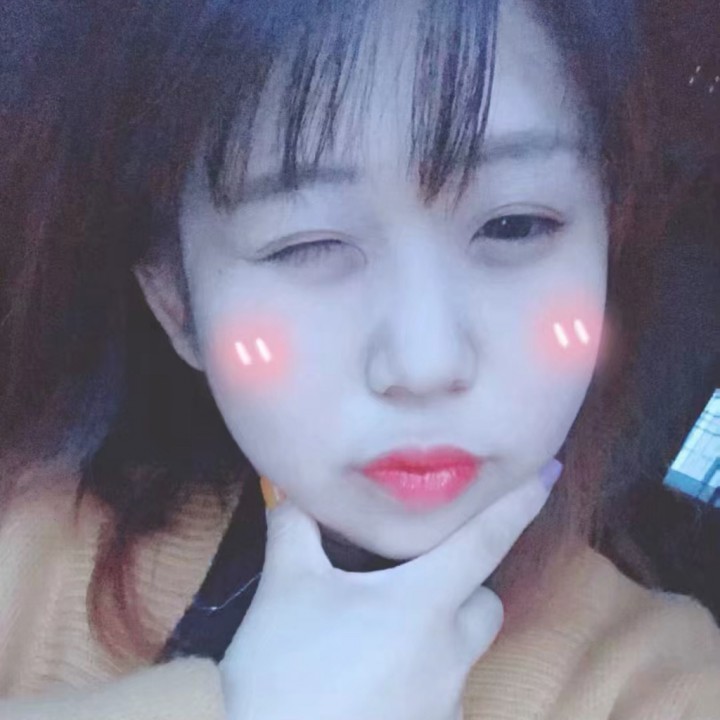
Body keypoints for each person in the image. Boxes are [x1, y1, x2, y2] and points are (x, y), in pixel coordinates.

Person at [0, 0, 718, 718]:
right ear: (177, 304)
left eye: (514, 225)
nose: (424, 362)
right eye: (307, 245)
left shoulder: (666, 688)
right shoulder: (25, 547)